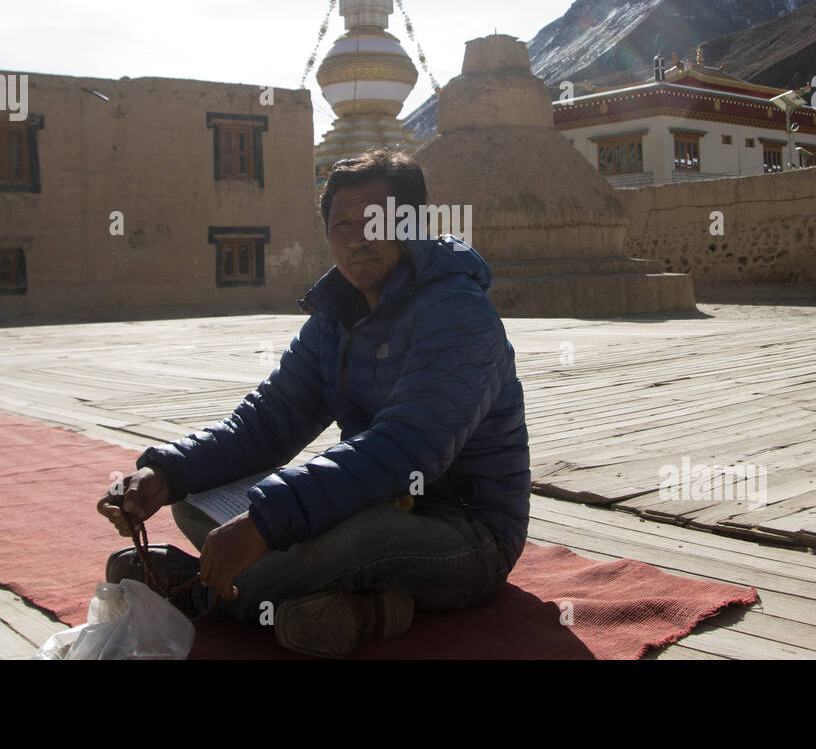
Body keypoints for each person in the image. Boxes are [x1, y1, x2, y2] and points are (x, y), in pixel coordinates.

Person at [96, 148, 530, 657]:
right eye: (340, 225)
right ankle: (358, 609)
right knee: (195, 496)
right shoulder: (333, 318)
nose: (355, 239)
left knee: (336, 540)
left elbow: (406, 449)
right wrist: (165, 473)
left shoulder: (458, 312)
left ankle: (192, 589)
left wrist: (264, 523)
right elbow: (265, 424)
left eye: (375, 221)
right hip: (371, 500)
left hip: (465, 532)